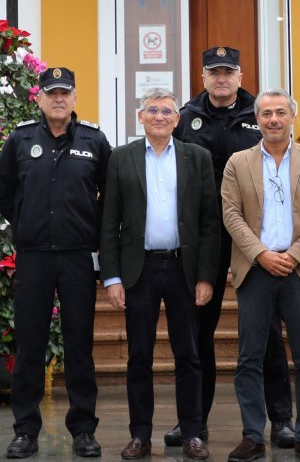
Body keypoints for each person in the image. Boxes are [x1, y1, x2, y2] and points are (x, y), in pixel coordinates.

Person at [171, 47, 294, 450]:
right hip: (205, 235)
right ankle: (193, 422)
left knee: (269, 330)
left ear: (240, 76)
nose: (221, 78)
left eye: (228, 71)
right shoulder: (185, 118)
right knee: (197, 331)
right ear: (203, 77)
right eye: (214, 72)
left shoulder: (259, 115)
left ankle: (281, 419)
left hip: (254, 237)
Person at [0, 67, 113, 459]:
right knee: (30, 345)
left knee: (79, 345)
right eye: (51, 93)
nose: (58, 99)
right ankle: (25, 429)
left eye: (65, 93)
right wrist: (28, 221)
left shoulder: (94, 141)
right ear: (39, 98)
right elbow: (3, 193)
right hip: (34, 258)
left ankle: (83, 429)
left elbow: (109, 197)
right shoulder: (21, 138)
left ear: (74, 98)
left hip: (79, 258)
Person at [100, 88, 219, 461]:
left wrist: (206, 276)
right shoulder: (122, 158)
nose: (159, 116)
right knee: (139, 356)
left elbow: (210, 222)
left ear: (177, 119)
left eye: (167, 110)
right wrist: (112, 277)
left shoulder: (197, 157)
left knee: (190, 355)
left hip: (183, 268)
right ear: (140, 117)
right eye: (152, 110)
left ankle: (193, 432)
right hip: (140, 270)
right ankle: (139, 435)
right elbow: (109, 222)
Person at [221, 90, 300, 462]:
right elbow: (231, 215)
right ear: (258, 119)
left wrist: (294, 255)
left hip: (299, 272)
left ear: (292, 117)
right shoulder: (238, 162)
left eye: (280, 112)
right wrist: (261, 254)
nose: (273, 119)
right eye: (266, 113)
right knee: (250, 358)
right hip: (255, 270)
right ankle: (253, 435)